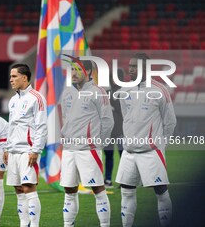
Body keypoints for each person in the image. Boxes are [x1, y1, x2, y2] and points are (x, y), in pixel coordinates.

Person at [115, 53, 177, 227]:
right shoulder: (124, 90)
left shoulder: (160, 90)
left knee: (161, 191)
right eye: (130, 66)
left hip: (151, 151)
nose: (131, 69)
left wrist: (160, 144)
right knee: (126, 192)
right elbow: (127, 117)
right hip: (129, 152)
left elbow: (170, 121)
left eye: (135, 66)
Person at [60, 58, 114, 227]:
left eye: (78, 69)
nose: (74, 73)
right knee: (69, 190)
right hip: (69, 149)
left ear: (89, 72)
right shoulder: (67, 92)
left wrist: (98, 143)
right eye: (72, 69)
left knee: (97, 189)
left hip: (88, 149)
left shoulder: (98, 92)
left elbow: (107, 121)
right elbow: (64, 118)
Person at [3, 64, 47, 227]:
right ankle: (24, 224)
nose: (11, 80)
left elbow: (42, 126)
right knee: (18, 190)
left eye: (14, 76)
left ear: (24, 77)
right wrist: (7, 148)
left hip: (28, 151)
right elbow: (11, 126)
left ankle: (34, 225)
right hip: (13, 151)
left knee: (28, 188)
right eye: (10, 76)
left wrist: (36, 150)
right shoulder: (13, 100)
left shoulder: (37, 98)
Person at [104, 68, 125, 188]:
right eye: (113, 77)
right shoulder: (106, 93)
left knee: (124, 156)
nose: (114, 80)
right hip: (109, 131)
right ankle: (107, 180)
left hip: (122, 130)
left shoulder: (125, 92)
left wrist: (112, 105)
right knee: (108, 155)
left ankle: (126, 180)